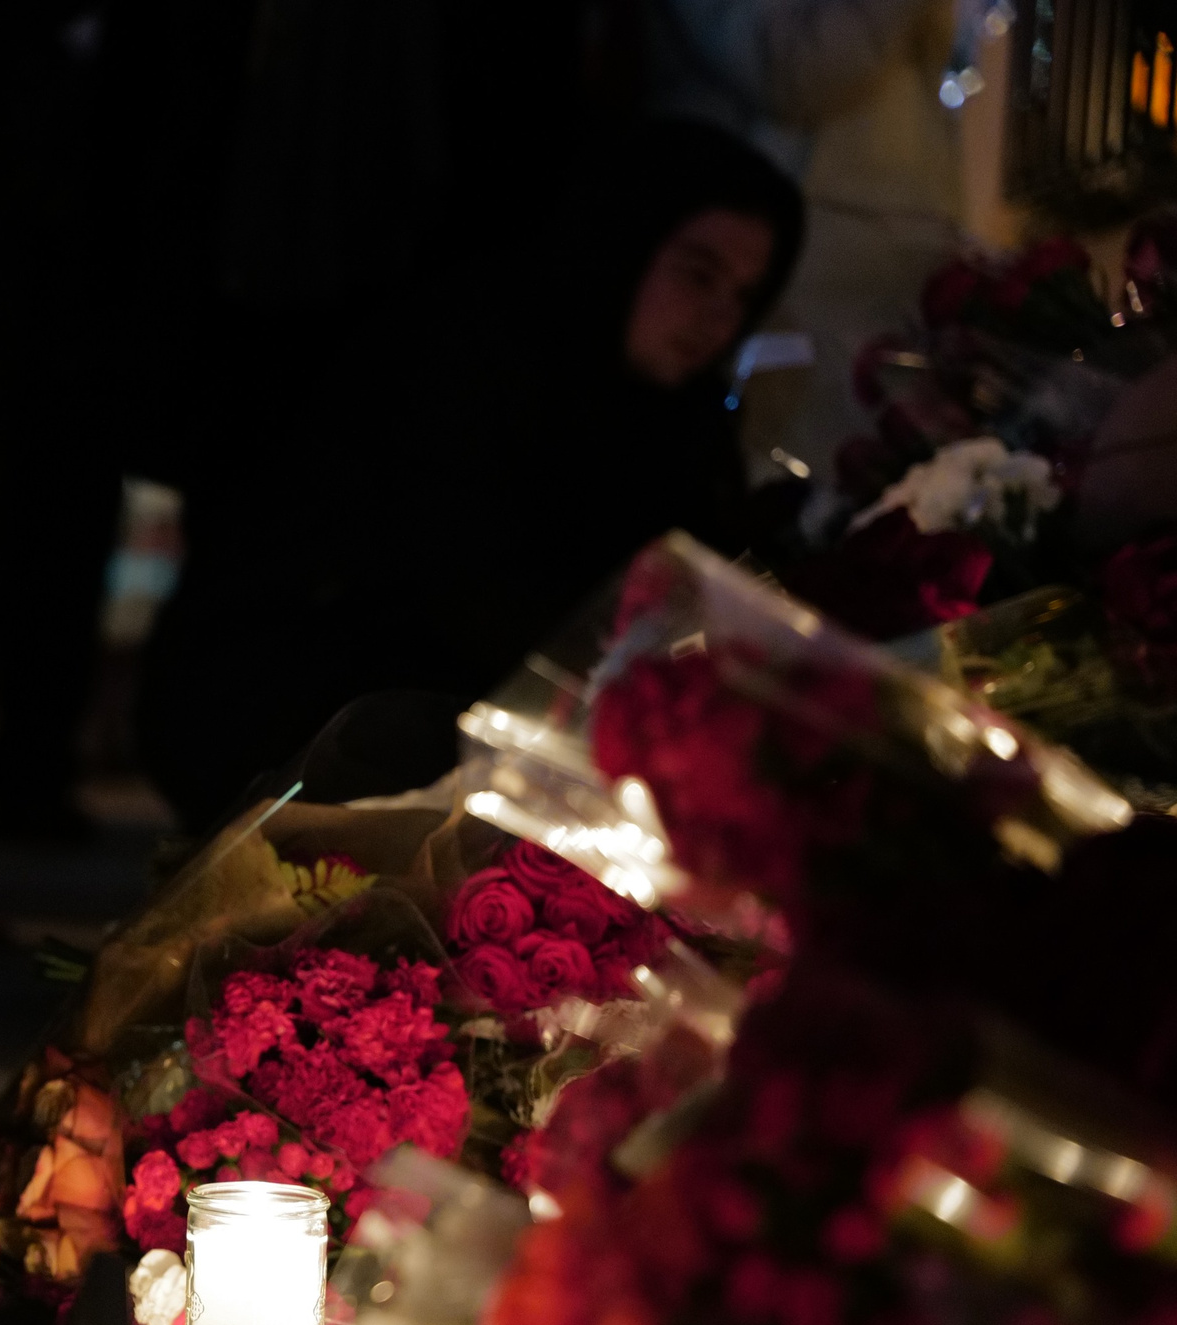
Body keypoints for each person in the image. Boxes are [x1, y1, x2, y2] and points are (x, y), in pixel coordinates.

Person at [141, 117, 807, 827]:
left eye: (744, 294)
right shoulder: (471, 355)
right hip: (296, 701)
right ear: (625, 241)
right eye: (699, 275)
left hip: (449, 696)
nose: (719, 315)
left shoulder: (676, 414)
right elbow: (467, 590)